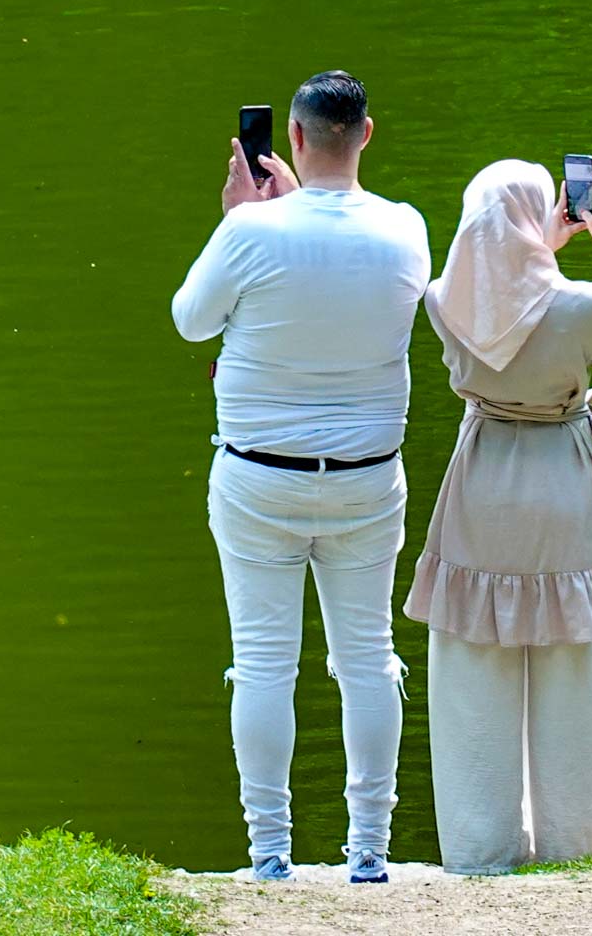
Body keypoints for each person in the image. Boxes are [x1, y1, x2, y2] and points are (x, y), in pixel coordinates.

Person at [172, 70, 429, 884]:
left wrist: (240, 220)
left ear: (291, 138)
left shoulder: (250, 231)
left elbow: (191, 322)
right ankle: (369, 851)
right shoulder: (406, 228)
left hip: (258, 480)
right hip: (366, 479)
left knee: (261, 664)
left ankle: (269, 854)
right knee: (368, 660)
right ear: (366, 135)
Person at [404, 158, 592, 874]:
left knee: (473, 665)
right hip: (562, 487)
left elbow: (500, 294)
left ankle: (482, 850)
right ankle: (584, 844)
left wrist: (536, 244)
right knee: (574, 665)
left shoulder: (442, 301)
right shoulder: (580, 306)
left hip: (481, 484)